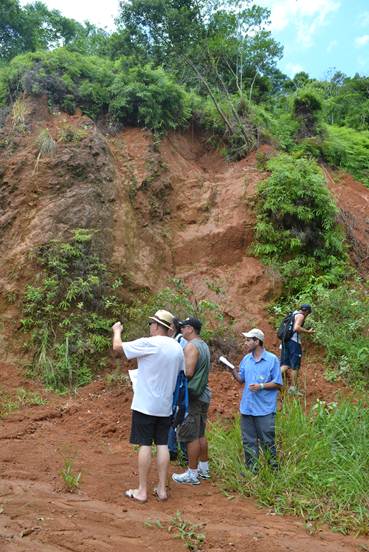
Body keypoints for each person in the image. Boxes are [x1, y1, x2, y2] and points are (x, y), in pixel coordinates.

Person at [112, 309, 184, 503]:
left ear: (157, 326)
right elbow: (180, 373)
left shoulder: (149, 343)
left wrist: (117, 330)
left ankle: (142, 490)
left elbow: (118, 347)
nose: (150, 327)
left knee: (144, 444)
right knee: (162, 444)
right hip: (165, 406)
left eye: (151, 323)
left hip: (145, 404)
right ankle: (161, 489)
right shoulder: (177, 348)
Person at [228, 328, 282, 472]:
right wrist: (232, 369)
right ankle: (252, 470)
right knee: (248, 441)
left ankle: (273, 471)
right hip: (247, 408)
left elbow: (278, 383)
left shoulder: (272, 360)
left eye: (248, 340)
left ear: (257, 342)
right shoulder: (246, 359)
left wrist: (261, 386)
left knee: (267, 441)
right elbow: (241, 379)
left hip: (264, 410)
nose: (245, 343)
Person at [172, 317, 211, 485]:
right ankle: (204, 469)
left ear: (191, 329)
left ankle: (192, 474)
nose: (181, 330)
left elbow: (188, 372)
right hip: (203, 393)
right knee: (201, 433)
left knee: (191, 436)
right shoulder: (204, 345)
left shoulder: (191, 346)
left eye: (183, 327)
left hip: (192, 396)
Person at [280, 304, 314, 395]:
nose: (307, 315)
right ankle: (293, 389)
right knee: (295, 365)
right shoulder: (301, 316)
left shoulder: (293, 314)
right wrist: (308, 332)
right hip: (294, 343)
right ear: (306, 311)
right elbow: (296, 327)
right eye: (308, 313)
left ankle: (270, 380)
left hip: (285, 341)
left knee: (285, 364)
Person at [168, 317, 188, 462]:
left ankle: (176, 450)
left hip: (179, 384)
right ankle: (171, 448)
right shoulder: (172, 340)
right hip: (172, 383)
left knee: (177, 416)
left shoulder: (181, 340)